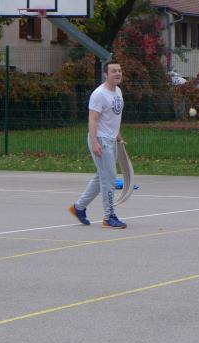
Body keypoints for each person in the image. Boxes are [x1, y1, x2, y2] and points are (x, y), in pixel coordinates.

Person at [69, 60, 127, 229]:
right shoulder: (99, 94)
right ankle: (109, 217)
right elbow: (93, 119)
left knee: (101, 176)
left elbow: (113, 117)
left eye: (119, 70)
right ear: (105, 74)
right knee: (109, 179)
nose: (118, 73)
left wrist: (118, 136)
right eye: (113, 71)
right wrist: (95, 142)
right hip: (101, 140)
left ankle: (78, 208)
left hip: (111, 140)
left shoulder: (118, 91)